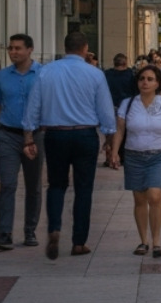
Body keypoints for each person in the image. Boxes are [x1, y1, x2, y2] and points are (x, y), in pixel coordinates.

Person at [22, 32, 117, 259]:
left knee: (56, 185)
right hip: (85, 135)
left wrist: (28, 136)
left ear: (64, 48)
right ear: (85, 48)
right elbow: (105, 110)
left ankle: (55, 228)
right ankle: (79, 242)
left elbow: (33, 106)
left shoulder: (46, 71)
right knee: (84, 189)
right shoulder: (95, 74)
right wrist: (110, 140)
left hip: (55, 135)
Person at [108, 64, 161, 258]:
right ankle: (143, 241)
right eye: (142, 79)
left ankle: (157, 241)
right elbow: (120, 130)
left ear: (158, 83)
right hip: (134, 156)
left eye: (150, 79)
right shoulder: (128, 103)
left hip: (158, 155)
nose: (145, 82)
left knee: (155, 196)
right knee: (139, 199)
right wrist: (114, 152)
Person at [0, 34, 42, 251]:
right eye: (10, 48)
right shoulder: (2, 76)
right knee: (8, 184)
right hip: (8, 134)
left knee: (33, 185)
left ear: (30, 50)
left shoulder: (42, 74)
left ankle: (30, 231)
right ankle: (5, 234)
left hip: (36, 135)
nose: (13, 52)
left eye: (18, 48)